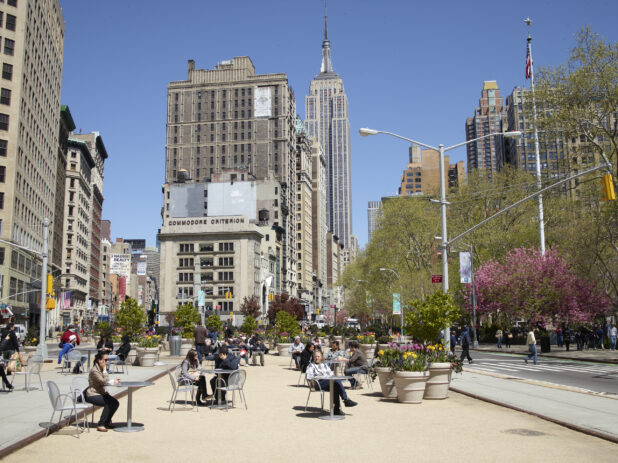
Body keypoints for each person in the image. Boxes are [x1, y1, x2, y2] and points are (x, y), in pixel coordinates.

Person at [305, 350, 357, 416]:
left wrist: (330, 377)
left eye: (318, 356)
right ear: (313, 357)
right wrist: (318, 377)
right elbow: (309, 377)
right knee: (336, 381)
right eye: (315, 356)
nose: (317, 358)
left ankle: (336, 410)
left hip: (328, 382)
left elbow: (331, 374)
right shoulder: (311, 366)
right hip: (318, 383)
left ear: (321, 357)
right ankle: (345, 400)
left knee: (336, 386)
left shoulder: (325, 365)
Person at [84, 351, 120, 432]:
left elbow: (104, 381)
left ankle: (107, 421)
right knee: (109, 403)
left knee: (115, 403)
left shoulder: (100, 369)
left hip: (100, 393)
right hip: (92, 394)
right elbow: (104, 381)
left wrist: (113, 380)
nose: (107, 362)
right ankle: (101, 424)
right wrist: (104, 369)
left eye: (108, 360)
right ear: (100, 361)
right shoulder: (95, 371)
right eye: (106, 360)